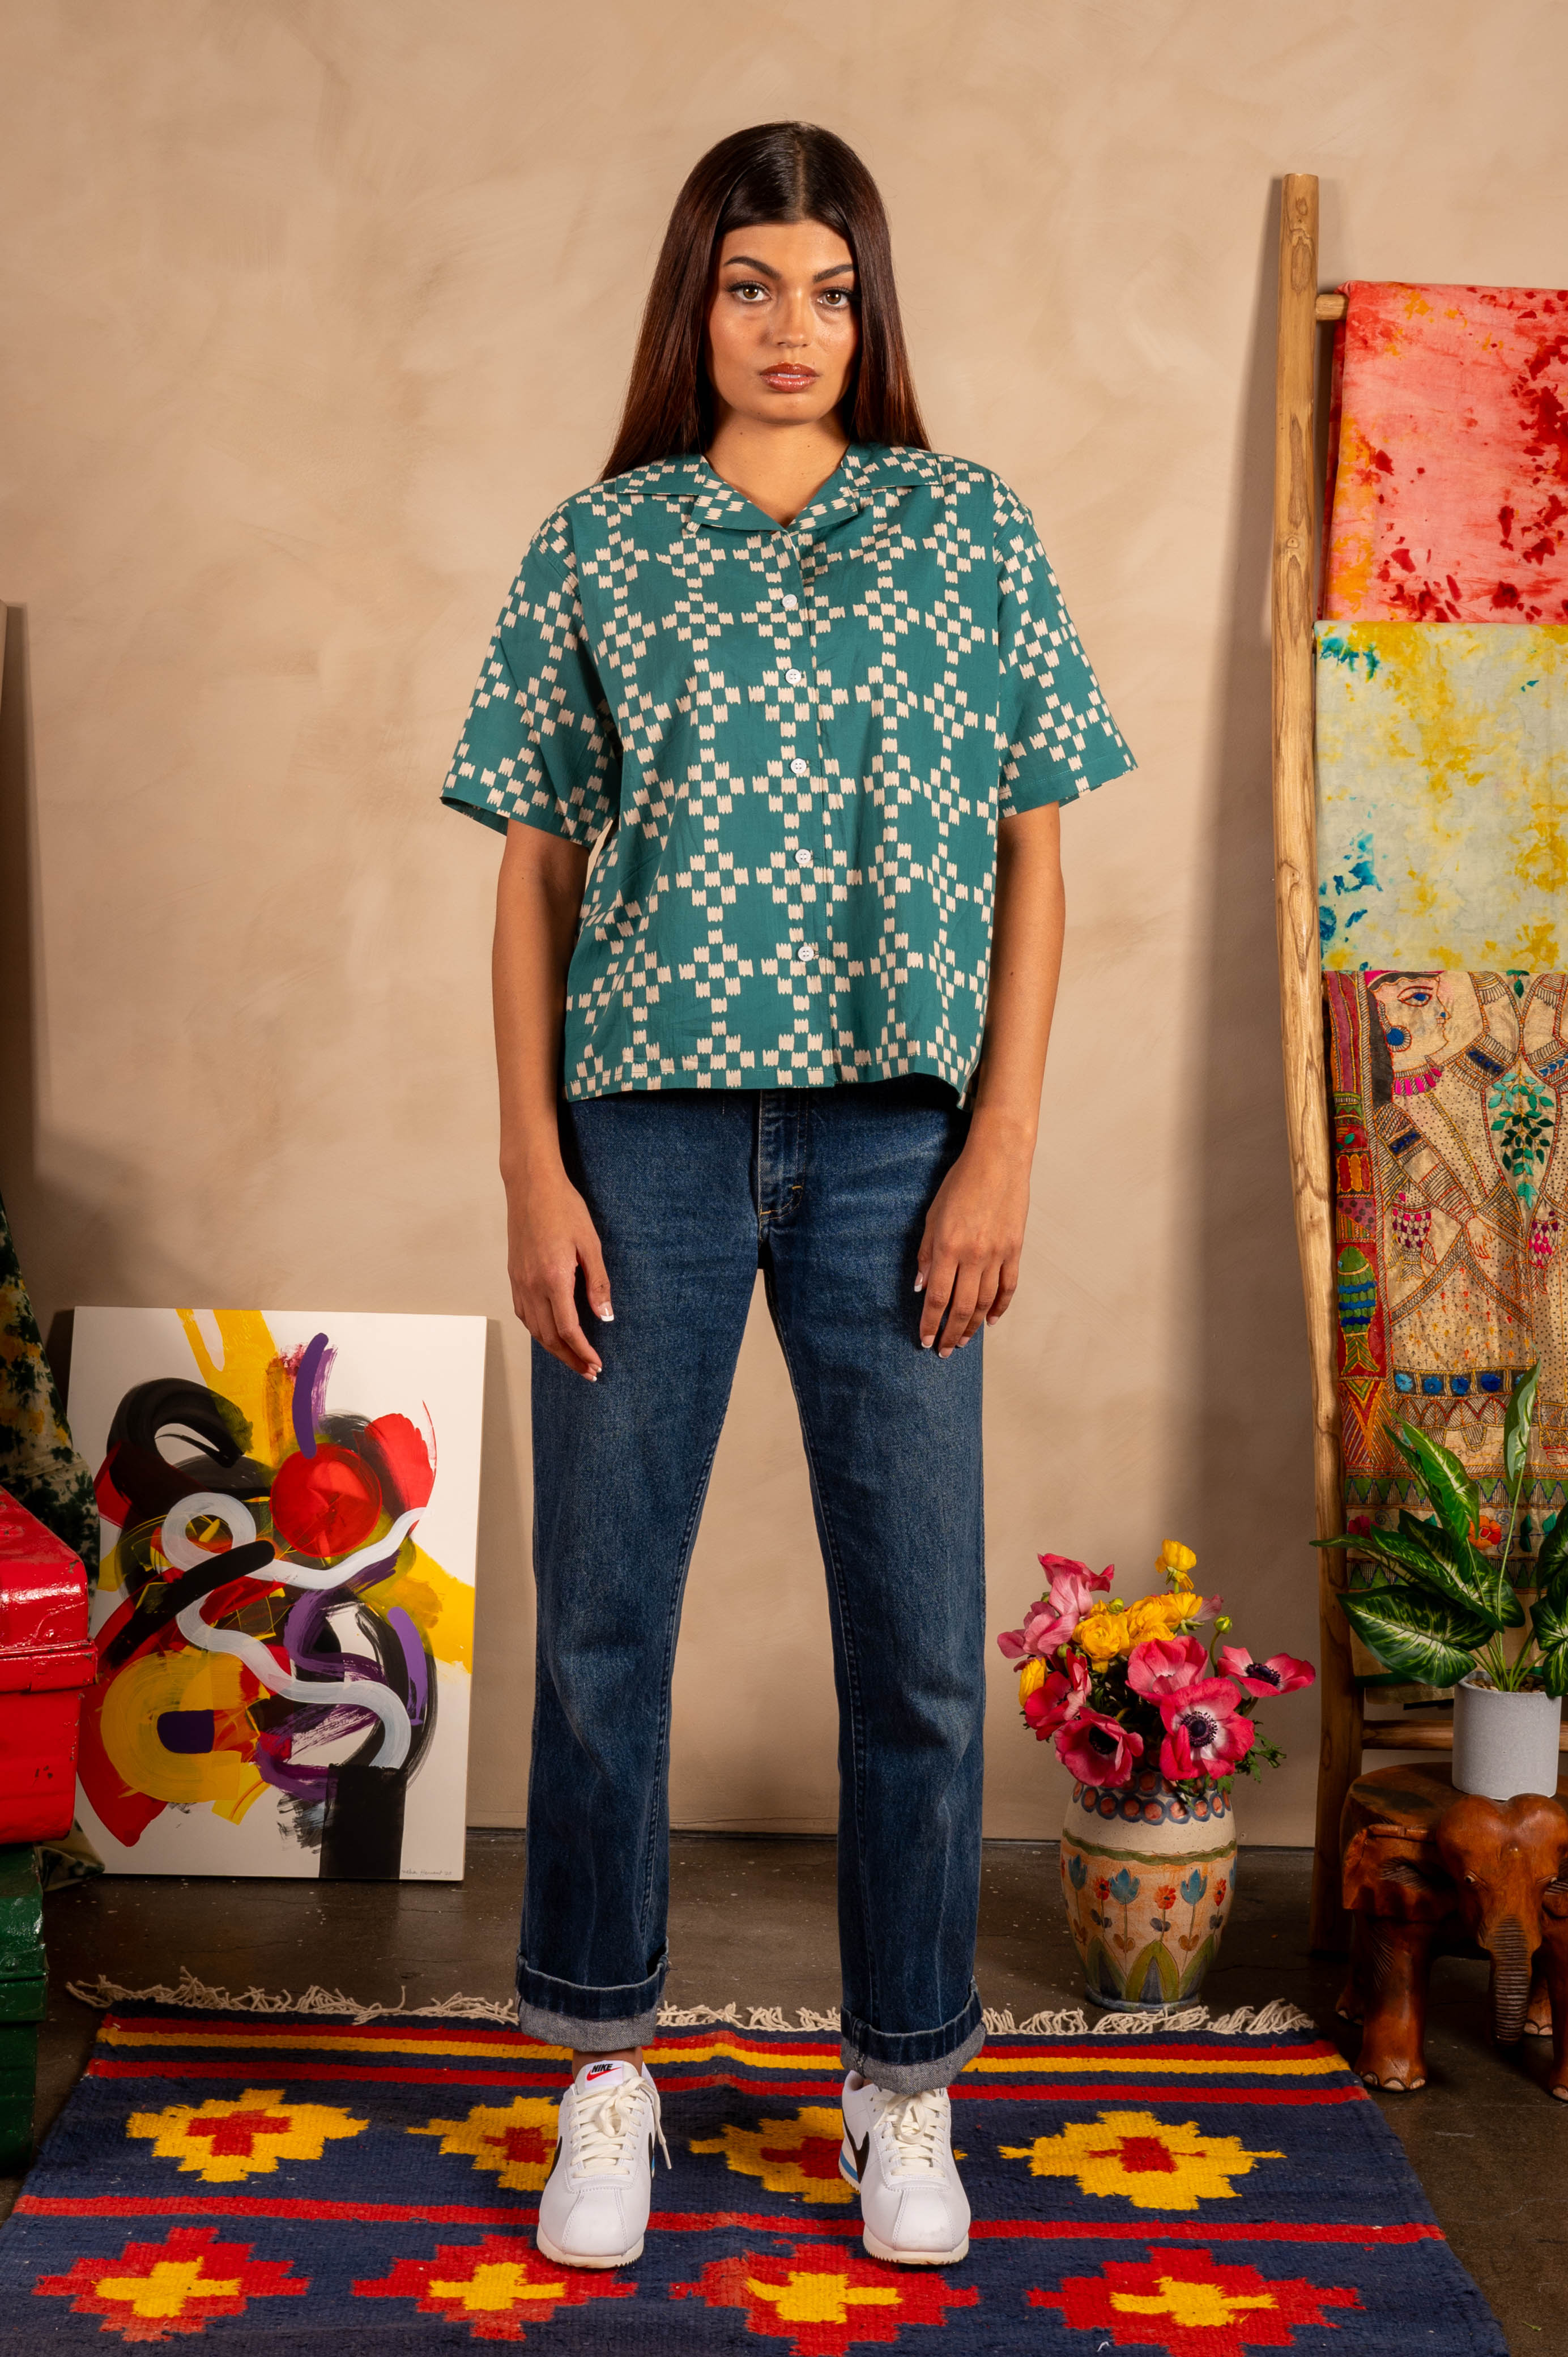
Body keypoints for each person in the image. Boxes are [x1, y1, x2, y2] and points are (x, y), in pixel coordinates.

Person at [441, 120, 1134, 2271]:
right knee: (602, 1634)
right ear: (695, 303)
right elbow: (535, 877)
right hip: (639, 1131)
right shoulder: (601, 546)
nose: (793, 329)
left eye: (831, 289)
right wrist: (532, 1160)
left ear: (874, 308)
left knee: (920, 1646)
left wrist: (1000, 1141)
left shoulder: (967, 530)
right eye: (753, 286)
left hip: (891, 1146)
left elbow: (1037, 849)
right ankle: (603, 2071)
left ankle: (902, 2083)